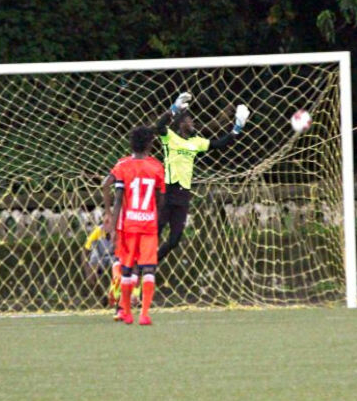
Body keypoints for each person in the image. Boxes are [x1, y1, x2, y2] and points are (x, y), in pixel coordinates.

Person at [154, 92, 250, 262]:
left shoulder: (196, 142)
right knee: (155, 231)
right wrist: (174, 109)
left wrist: (237, 128)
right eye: (189, 120)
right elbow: (159, 126)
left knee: (175, 239)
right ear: (181, 124)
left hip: (183, 194)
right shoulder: (170, 138)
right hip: (168, 191)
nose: (192, 123)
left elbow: (220, 144)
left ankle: (152, 261)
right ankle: (138, 263)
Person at [109, 126, 166, 325]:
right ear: (150, 143)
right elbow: (160, 199)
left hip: (128, 226)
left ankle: (126, 312)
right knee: (148, 269)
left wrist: (113, 227)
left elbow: (117, 200)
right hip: (148, 224)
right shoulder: (157, 167)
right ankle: (144, 314)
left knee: (127, 269)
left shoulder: (123, 166)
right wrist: (156, 219)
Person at [81, 224, 119, 306]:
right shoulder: (98, 231)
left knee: (121, 269)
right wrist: (87, 270)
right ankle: (102, 297)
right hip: (100, 256)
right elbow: (85, 251)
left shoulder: (119, 230)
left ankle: (118, 296)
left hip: (114, 255)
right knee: (91, 277)